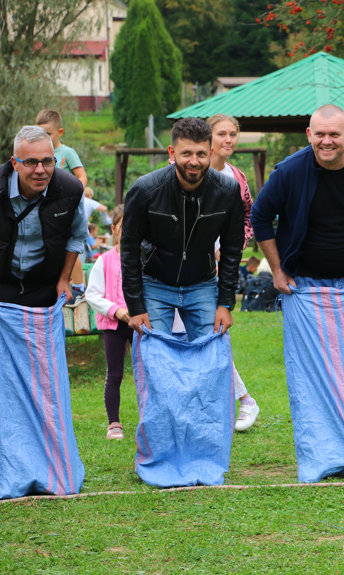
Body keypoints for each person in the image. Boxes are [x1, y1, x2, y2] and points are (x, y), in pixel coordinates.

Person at [250, 104, 344, 481]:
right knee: (311, 381)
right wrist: (279, 270)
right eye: (320, 134)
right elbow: (258, 217)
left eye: (335, 134)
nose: (327, 141)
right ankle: (323, 460)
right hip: (306, 290)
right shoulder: (289, 172)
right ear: (309, 135)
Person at [121, 117, 245, 341]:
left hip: (203, 284)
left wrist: (226, 302)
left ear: (210, 150)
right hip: (155, 282)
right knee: (157, 357)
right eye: (186, 153)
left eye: (200, 153)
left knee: (212, 352)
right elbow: (128, 249)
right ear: (172, 152)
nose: (194, 161)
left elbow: (232, 249)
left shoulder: (228, 191)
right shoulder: (146, 190)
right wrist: (136, 306)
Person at [0, 125, 88, 311]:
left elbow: (77, 235)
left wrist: (64, 279)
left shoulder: (71, 190)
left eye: (47, 161)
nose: (41, 170)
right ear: (14, 163)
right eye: (31, 162)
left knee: (45, 342)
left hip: (46, 288)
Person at [207, 113, 259, 431]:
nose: (228, 140)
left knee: (213, 332)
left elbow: (248, 217)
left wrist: (230, 251)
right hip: (184, 265)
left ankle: (244, 401)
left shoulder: (237, 176)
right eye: (222, 134)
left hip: (219, 268)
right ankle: (234, 402)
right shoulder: (187, 169)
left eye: (233, 134)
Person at [85, 205, 133, 439]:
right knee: (114, 374)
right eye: (124, 227)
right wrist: (115, 310)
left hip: (140, 324)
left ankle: (150, 417)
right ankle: (114, 423)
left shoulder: (145, 259)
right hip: (114, 325)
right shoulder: (103, 261)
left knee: (147, 373)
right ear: (114, 230)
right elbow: (92, 294)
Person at [35, 109, 88, 188]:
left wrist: (75, 194)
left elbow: (82, 176)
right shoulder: (36, 153)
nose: (43, 138)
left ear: (60, 132)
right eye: (39, 134)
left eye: (48, 134)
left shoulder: (67, 152)